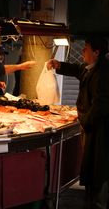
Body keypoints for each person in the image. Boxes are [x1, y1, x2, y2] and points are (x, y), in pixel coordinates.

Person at [47, 36, 109, 209]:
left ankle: (98, 202)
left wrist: (85, 122)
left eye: (86, 48)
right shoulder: (91, 67)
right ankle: (92, 198)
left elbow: (101, 104)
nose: (82, 51)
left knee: (99, 167)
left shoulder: (103, 73)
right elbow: (77, 69)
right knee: (92, 167)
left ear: (96, 52)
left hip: (99, 130)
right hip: (91, 126)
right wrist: (58, 64)